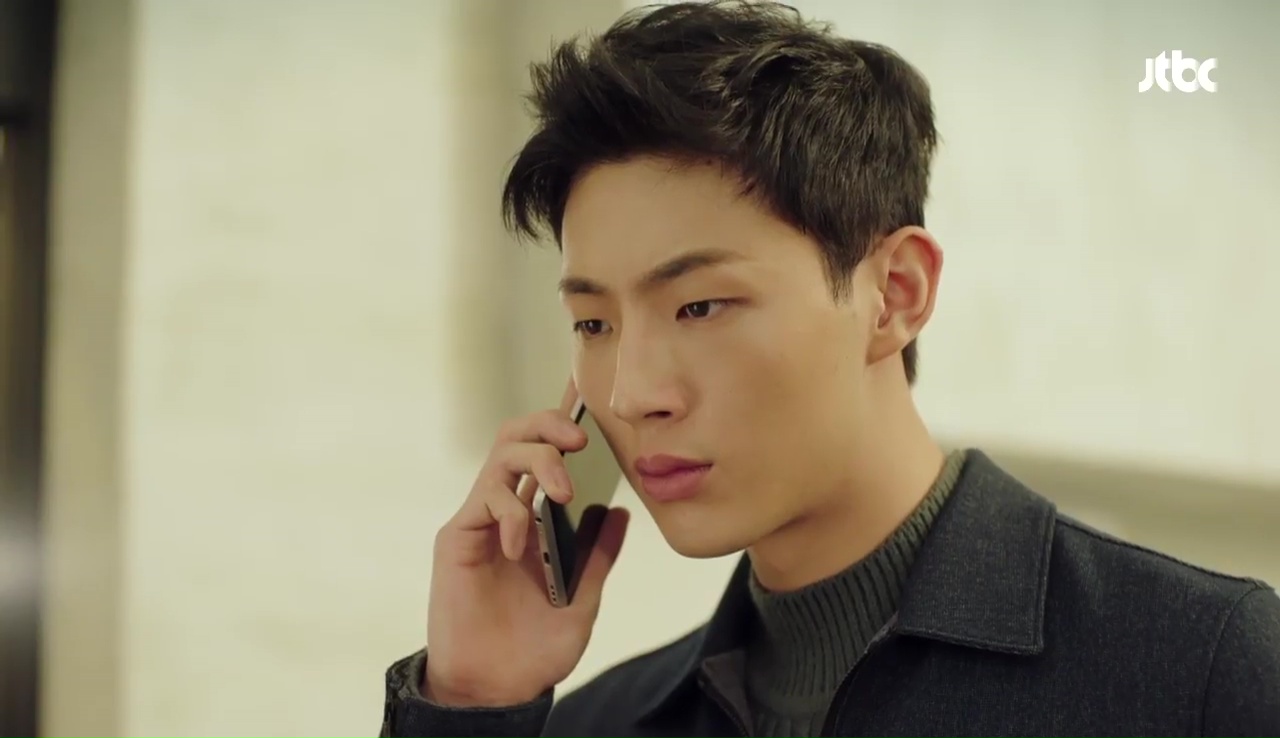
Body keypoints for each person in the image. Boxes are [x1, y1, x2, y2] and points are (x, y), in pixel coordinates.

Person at [378, 3, 1280, 737]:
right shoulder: (597, 724)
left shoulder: (1201, 668)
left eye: (700, 306)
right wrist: (469, 706)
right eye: (593, 322)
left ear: (895, 294)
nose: (631, 393)